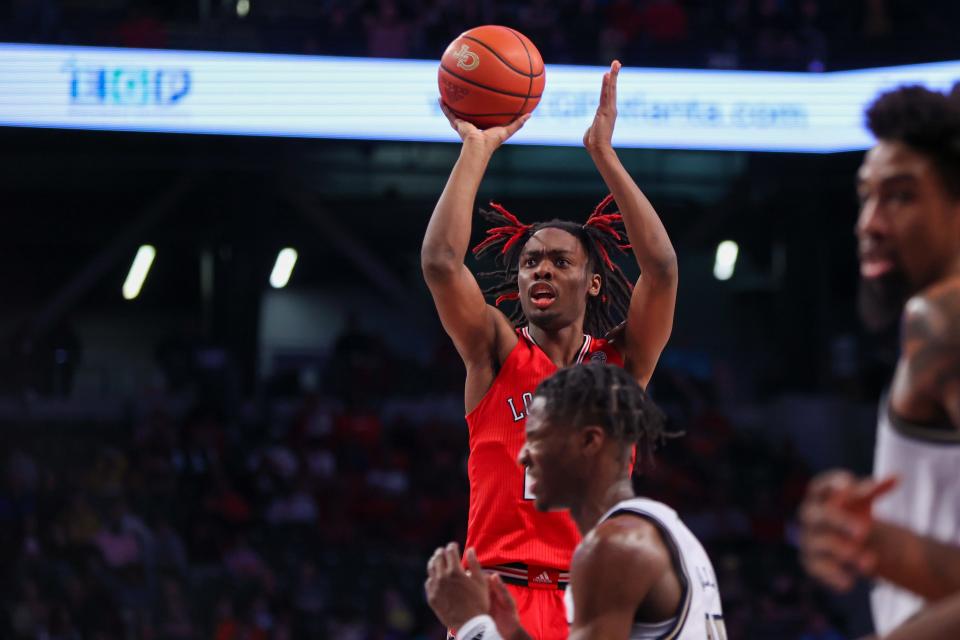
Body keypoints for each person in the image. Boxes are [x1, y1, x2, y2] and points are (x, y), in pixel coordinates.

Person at [420, 60, 678, 638]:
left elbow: (661, 269)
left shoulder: (620, 367)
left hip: (593, 597)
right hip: (496, 594)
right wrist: (477, 148)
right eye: (530, 262)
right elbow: (440, 263)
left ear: (591, 282)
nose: (541, 269)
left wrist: (604, 155)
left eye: (560, 261)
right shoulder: (494, 353)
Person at [797, 82, 960, 635]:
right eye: (866, 195)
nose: (868, 223)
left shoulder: (944, 321)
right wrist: (879, 544)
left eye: (900, 195)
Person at [425, 364, 724, 639]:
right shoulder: (659, 528)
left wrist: (472, 625)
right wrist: (513, 632)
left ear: (589, 442)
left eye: (538, 439)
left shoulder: (615, 548)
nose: (523, 455)